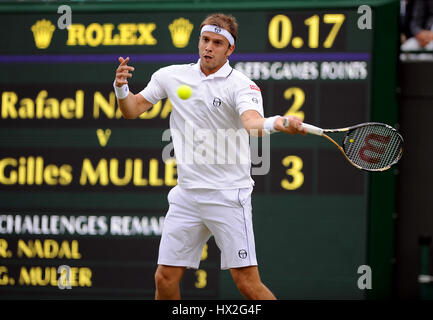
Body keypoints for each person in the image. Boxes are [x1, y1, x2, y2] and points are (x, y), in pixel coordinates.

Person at [113, 13, 306, 300]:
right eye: (205, 40)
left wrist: (276, 122)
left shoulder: (242, 85)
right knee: (165, 278)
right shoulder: (170, 76)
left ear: (230, 50)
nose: (208, 47)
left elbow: (252, 123)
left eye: (217, 42)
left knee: (247, 284)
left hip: (228, 196)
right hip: (187, 196)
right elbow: (132, 109)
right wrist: (121, 87)